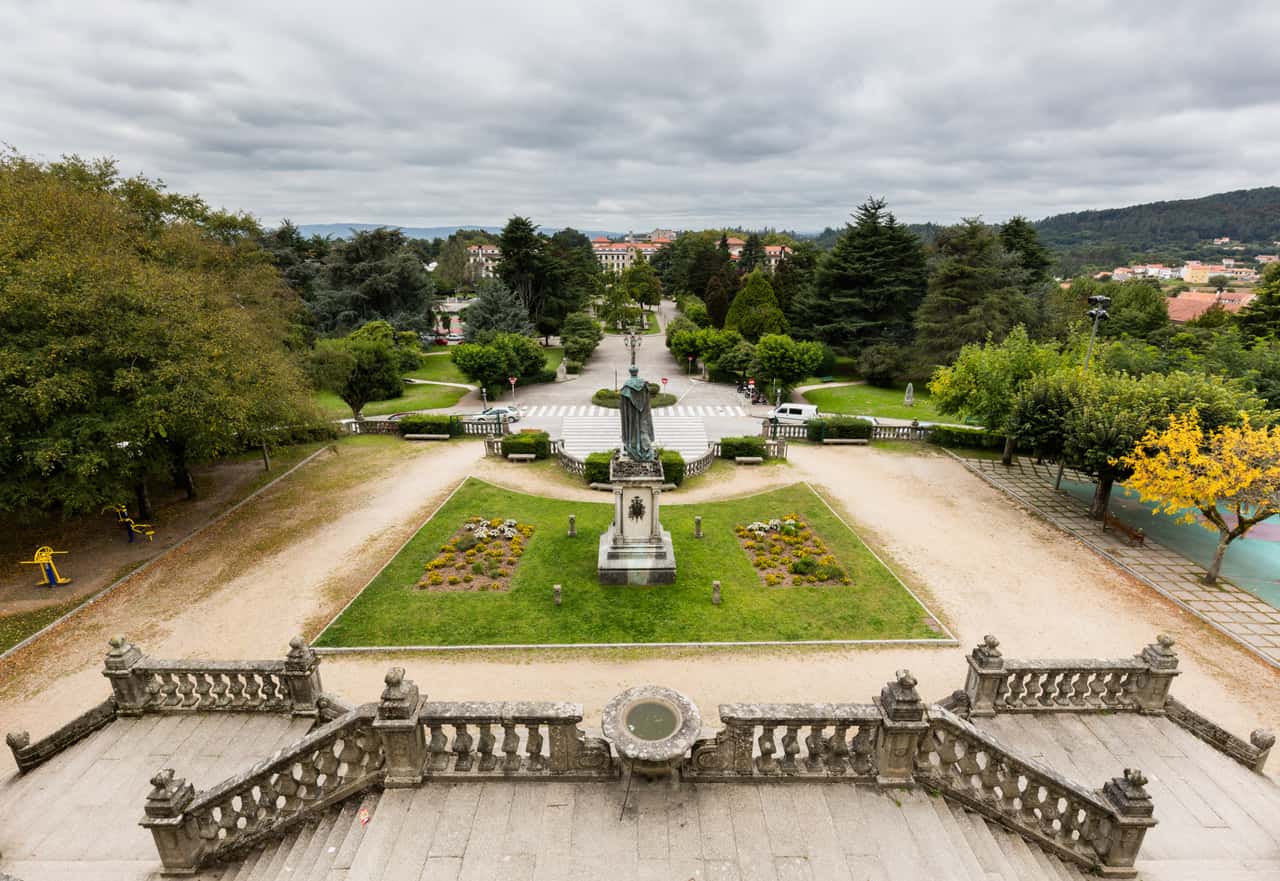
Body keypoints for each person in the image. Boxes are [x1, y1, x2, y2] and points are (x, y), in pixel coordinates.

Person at [618, 365, 656, 462]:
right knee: (643, 430)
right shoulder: (644, 385)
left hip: (631, 414)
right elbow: (648, 400)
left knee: (633, 430)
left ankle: (634, 447)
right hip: (643, 413)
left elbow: (623, 404)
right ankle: (645, 449)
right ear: (637, 373)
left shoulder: (627, 386)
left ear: (630, 373)